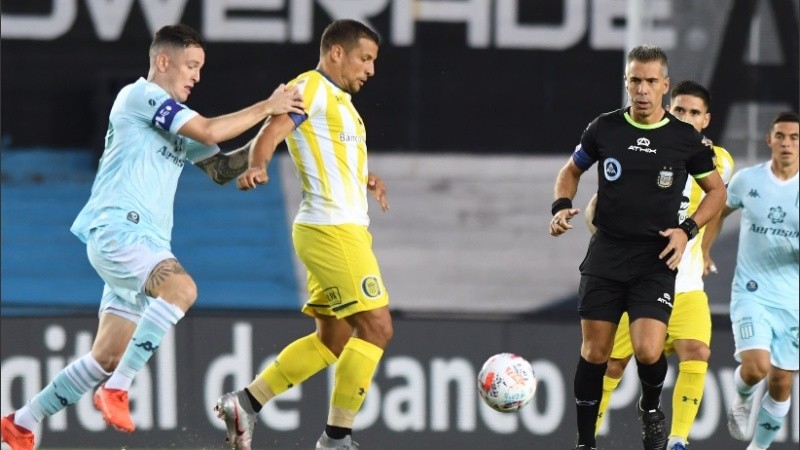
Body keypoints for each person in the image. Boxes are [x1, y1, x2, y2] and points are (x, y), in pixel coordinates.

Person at [0, 23, 305, 450]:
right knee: (181, 289)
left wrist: (277, 128)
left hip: (143, 243)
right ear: (163, 61)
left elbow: (221, 168)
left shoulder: (175, 122)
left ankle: (22, 421)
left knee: (105, 355)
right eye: (192, 65)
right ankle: (117, 389)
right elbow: (211, 131)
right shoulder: (139, 96)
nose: (197, 76)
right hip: (119, 230)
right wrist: (266, 106)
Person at [214, 19, 390, 450]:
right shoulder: (309, 86)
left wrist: (364, 177)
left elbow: (329, 151)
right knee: (377, 327)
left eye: (373, 61)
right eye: (364, 58)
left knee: (332, 340)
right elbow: (273, 131)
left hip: (335, 229)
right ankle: (336, 438)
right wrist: (258, 165)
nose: (370, 69)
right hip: (332, 231)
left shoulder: (343, 104)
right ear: (336, 53)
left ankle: (247, 402)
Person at [549, 44, 727, 450]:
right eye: (635, 81)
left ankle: (650, 408)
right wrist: (560, 205)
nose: (642, 90)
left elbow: (716, 191)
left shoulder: (684, 139)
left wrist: (687, 229)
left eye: (650, 81)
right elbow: (571, 170)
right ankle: (584, 443)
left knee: (648, 351)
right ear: (627, 83)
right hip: (607, 255)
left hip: (654, 259)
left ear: (664, 85)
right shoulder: (605, 128)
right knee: (595, 352)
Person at [587, 80, 735, 450]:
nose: (685, 118)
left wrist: (705, 247)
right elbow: (601, 207)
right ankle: (585, 438)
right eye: (680, 110)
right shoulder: (648, 151)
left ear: (706, 120)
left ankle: (678, 441)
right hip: (637, 281)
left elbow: (717, 199)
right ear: (669, 109)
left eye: (694, 113)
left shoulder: (718, 161)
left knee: (698, 350)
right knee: (611, 366)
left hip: (684, 288)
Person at [717, 112, 799, 450]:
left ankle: (758, 448)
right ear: (769, 140)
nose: (787, 143)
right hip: (752, 291)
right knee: (756, 368)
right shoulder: (746, 181)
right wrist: (704, 252)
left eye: (794, 138)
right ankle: (743, 397)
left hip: (793, 299)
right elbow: (715, 212)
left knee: (781, 382)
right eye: (780, 136)